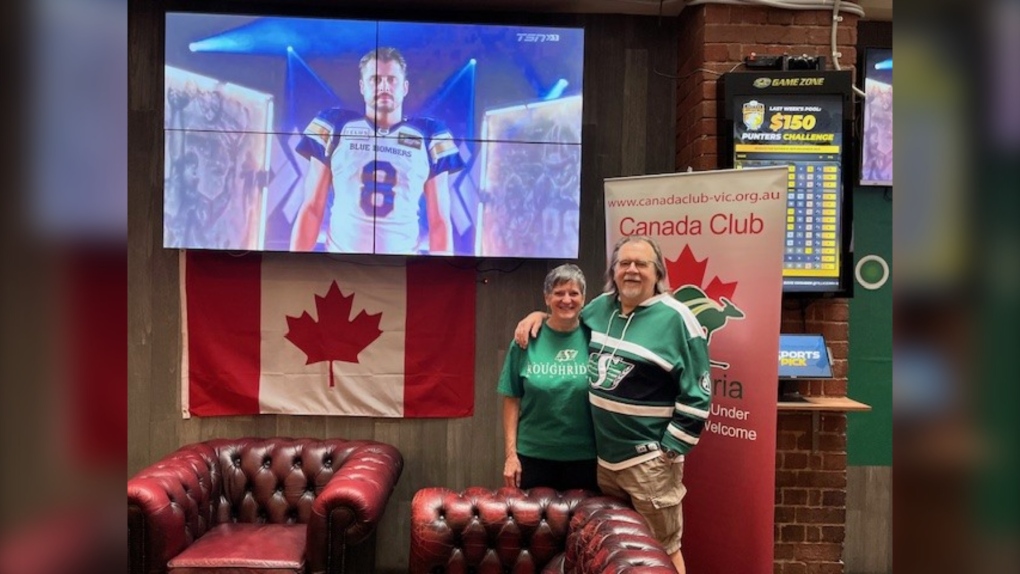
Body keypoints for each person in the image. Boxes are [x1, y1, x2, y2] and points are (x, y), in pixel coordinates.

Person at [515, 236, 711, 574]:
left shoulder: (677, 319)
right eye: (624, 263)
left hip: (649, 463)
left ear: (658, 272)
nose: (631, 270)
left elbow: (698, 395)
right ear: (614, 271)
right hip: (605, 465)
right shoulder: (601, 308)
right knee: (617, 551)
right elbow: (566, 314)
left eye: (641, 264)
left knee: (662, 552)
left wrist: (667, 451)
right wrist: (536, 315)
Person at [291, 47, 464, 254]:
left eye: (392, 79)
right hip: (339, 266)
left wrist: (442, 279)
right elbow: (311, 208)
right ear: (362, 86)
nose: (384, 86)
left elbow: (440, 222)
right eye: (375, 79)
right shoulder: (334, 125)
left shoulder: (430, 134)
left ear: (405, 87)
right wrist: (294, 265)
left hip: (402, 270)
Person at [498, 264, 598, 492]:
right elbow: (511, 397)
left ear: (584, 299)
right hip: (532, 457)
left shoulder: (596, 338)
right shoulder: (525, 339)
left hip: (586, 459)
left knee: (582, 527)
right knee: (534, 527)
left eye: (574, 293)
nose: (566, 300)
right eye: (559, 293)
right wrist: (510, 456)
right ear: (546, 297)